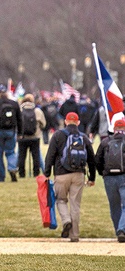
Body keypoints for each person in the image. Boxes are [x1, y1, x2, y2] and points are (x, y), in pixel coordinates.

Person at [44, 111, 96, 242]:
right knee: (75, 205)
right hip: (78, 175)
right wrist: (92, 178)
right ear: (78, 122)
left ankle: (66, 220)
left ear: (65, 121)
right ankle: (74, 235)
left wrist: (46, 173)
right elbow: (91, 159)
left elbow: (50, 155)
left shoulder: (57, 135)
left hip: (61, 174)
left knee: (60, 200)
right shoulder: (83, 137)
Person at [94, 116, 125, 243]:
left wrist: (102, 173)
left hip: (109, 178)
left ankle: (118, 229)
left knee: (114, 206)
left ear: (114, 128)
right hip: (123, 176)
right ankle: (122, 229)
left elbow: (97, 160)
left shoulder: (105, 142)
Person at [17, 94, 46, 179]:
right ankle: (36, 173)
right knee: (36, 156)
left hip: (22, 137)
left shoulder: (20, 110)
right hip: (35, 137)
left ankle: (21, 173)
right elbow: (43, 124)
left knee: (22, 156)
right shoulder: (37, 111)